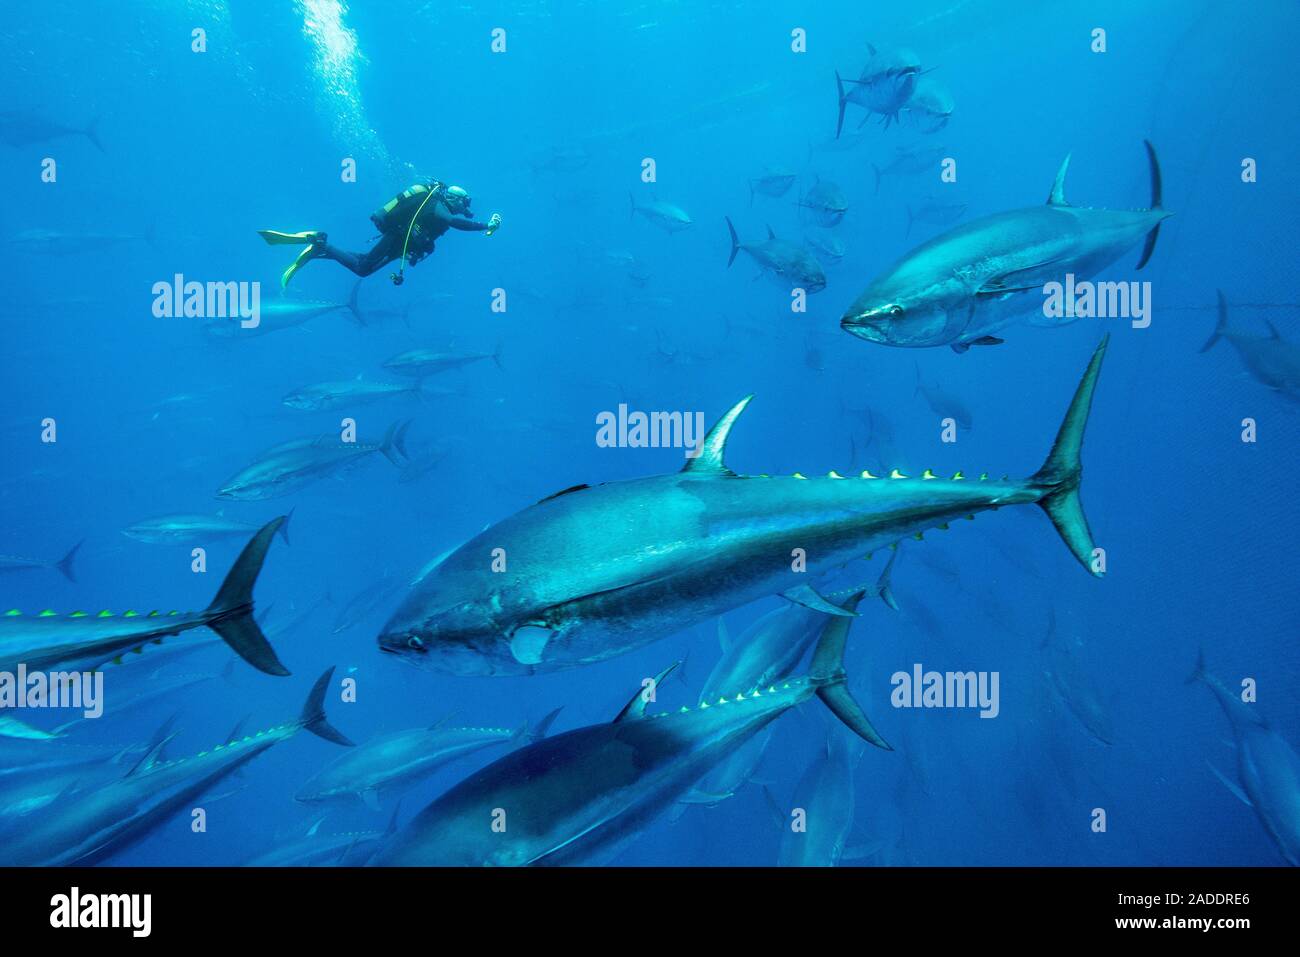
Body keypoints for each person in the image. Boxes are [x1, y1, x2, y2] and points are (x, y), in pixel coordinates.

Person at [258, 181, 502, 288]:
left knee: (363, 267)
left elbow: (437, 232)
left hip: (401, 247)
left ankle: (318, 251)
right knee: (363, 265)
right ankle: (318, 240)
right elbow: (456, 222)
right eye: (463, 203)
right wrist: (485, 225)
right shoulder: (437, 205)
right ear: (454, 199)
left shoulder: (441, 210)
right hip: (397, 236)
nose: (464, 207)